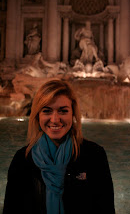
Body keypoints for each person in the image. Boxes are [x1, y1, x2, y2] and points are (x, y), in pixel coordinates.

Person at [3, 78, 115, 214]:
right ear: (37, 115)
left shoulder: (94, 155)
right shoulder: (22, 159)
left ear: (73, 114)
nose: (55, 119)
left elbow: (106, 209)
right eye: (47, 111)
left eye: (63, 111)